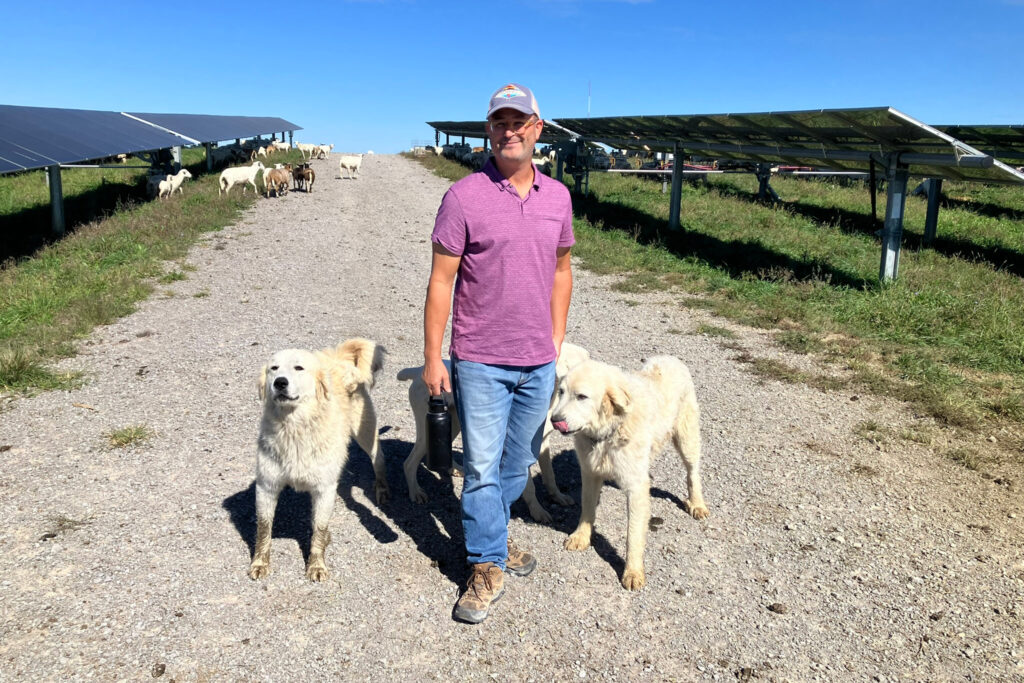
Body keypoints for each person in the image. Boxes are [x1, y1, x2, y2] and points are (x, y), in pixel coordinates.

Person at [422, 83, 574, 624]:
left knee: (518, 462)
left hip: (537, 361)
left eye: (520, 121)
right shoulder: (463, 197)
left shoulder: (558, 197)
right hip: (481, 359)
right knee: (483, 467)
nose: (509, 130)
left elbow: (561, 271)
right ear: (489, 130)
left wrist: (555, 341)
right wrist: (434, 356)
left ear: (537, 128)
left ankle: (495, 533)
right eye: (499, 122)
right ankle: (485, 563)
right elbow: (442, 282)